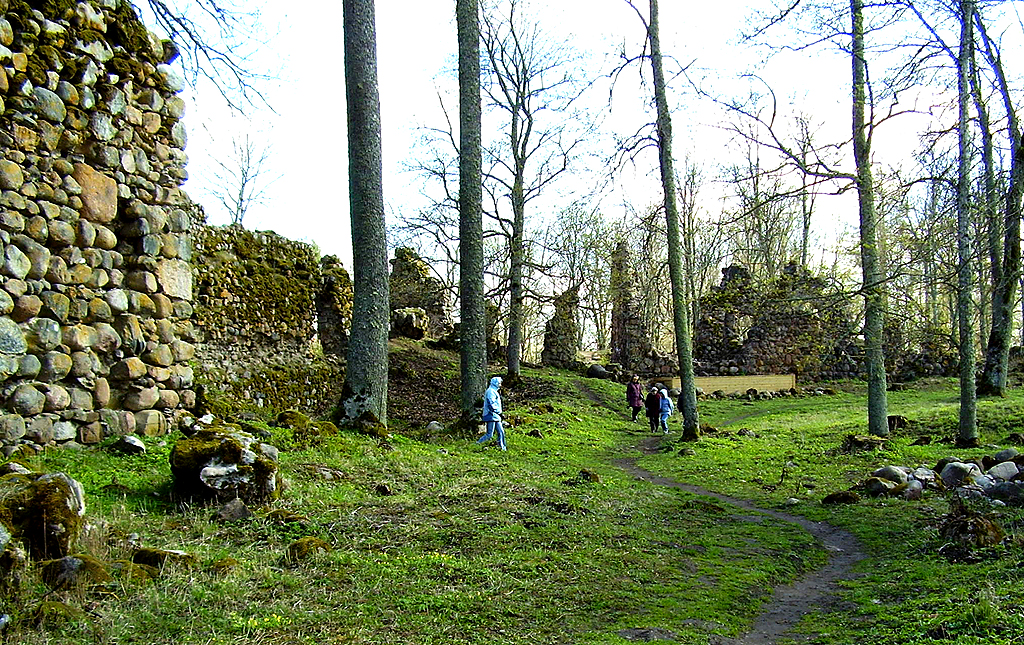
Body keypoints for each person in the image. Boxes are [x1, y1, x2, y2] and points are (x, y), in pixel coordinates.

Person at [476, 376, 506, 451]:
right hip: (491, 414)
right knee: (489, 434)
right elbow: (491, 403)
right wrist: (496, 410)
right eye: (499, 383)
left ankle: (502, 447)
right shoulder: (491, 391)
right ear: (495, 383)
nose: (500, 385)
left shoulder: (494, 391)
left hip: (495, 415)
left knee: (501, 431)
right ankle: (477, 444)